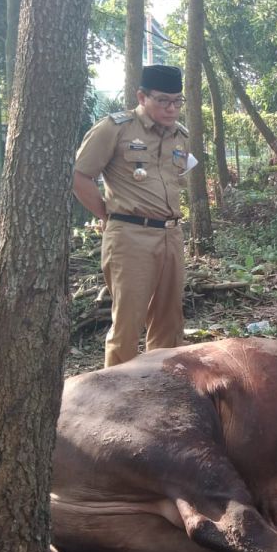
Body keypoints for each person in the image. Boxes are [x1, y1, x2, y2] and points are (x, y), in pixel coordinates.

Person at [73, 64, 192, 367]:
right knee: (128, 323)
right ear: (142, 96)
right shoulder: (115, 129)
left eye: (177, 101)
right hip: (130, 236)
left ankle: (162, 390)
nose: (172, 108)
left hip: (171, 234)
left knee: (169, 322)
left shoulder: (180, 135)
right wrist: (107, 214)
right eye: (163, 100)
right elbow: (79, 176)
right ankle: (118, 398)